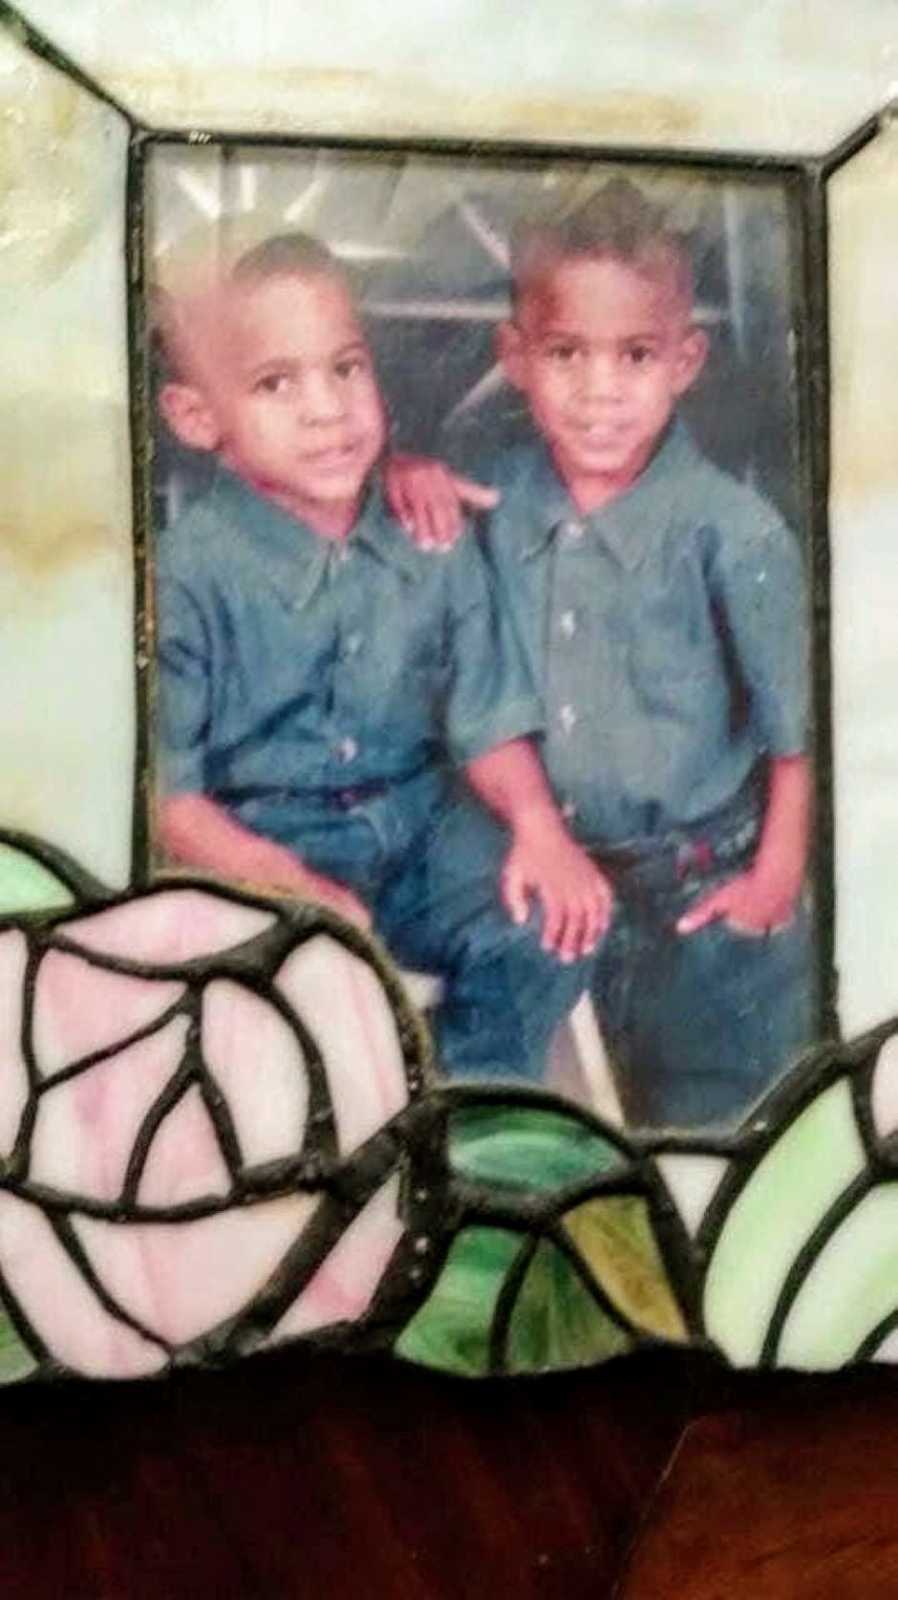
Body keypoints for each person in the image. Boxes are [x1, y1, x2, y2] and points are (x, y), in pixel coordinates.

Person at [386, 178, 815, 1126]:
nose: (599, 391)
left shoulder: (730, 532)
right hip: (558, 883)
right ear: (517, 357)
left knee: (721, 1136)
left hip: (706, 894)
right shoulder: (493, 500)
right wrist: (402, 471)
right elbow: (459, 649)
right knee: (563, 1127)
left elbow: (799, 731)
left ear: (686, 361)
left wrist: (776, 876)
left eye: (635, 356)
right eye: (567, 353)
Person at [152, 231, 611, 1084]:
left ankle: (472, 1132)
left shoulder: (428, 530)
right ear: (196, 417)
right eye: (275, 383)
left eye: (348, 368)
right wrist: (284, 880)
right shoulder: (184, 575)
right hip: (256, 843)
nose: (328, 410)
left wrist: (540, 830)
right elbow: (170, 798)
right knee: (266, 1004)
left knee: (550, 918)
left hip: (418, 828)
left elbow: (488, 715)